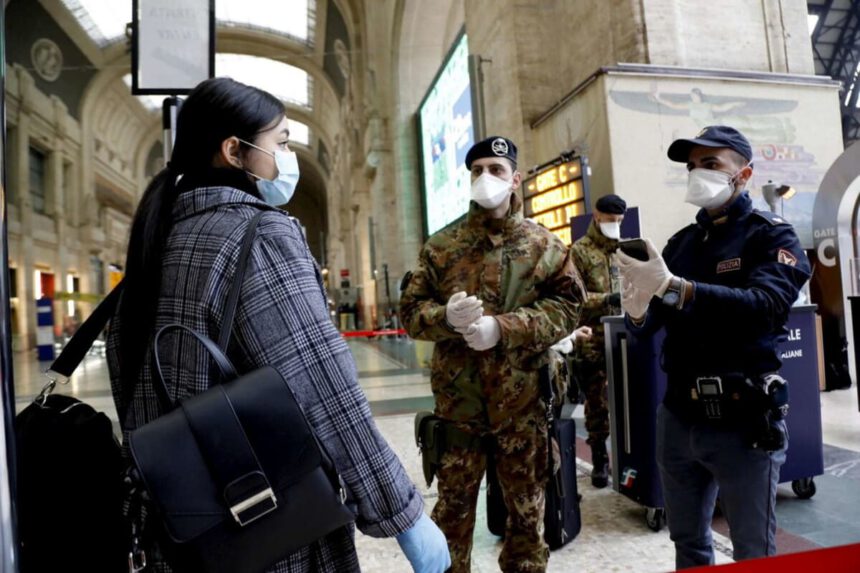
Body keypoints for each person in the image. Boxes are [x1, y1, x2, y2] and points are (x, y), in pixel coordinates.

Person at [106, 77, 450, 573]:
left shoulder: (151, 248)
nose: (287, 156)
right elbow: (324, 390)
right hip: (266, 527)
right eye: (282, 142)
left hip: (178, 531)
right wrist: (403, 515)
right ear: (234, 151)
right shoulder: (259, 235)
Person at [615, 126, 811, 569]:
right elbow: (649, 330)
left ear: (744, 174)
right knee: (688, 543)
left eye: (710, 164)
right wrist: (638, 308)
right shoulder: (681, 245)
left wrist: (680, 289)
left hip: (743, 421)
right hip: (679, 418)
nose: (696, 174)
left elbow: (766, 304)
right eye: (691, 167)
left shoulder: (771, 236)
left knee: (752, 551)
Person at [400, 136, 586, 573]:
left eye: (496, 170)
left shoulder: (544, 246)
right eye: (477, 170)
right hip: (459, 411)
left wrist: (501, 328)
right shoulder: (442, 247)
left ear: (515, 178)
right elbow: (411, 312)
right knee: (451, 518)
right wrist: (445, 316)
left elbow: (567, 308)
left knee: (526, 520)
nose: (485, 178)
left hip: (521, 410)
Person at [569, 194, 627, 488]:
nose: (614, 225)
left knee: (629, 400)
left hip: (624, 337)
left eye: (619, 221)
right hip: (591, 339)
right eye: (609, 220)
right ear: (596, 216)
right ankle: (600, 460)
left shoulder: (627, 250)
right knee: (597, 403)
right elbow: (574, 298)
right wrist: (608, 299)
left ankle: (629, 457)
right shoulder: (579, 252)